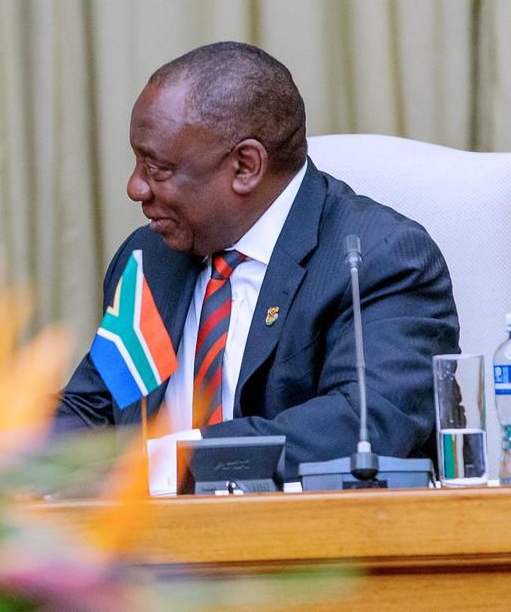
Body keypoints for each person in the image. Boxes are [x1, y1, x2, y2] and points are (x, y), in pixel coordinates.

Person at [54, 42, 459, 482]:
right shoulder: (152, 258)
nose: (135, 188)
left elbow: (362, 426)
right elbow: (95, 406)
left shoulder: (380, 258)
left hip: (306, 525)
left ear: (245, 166)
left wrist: (166, 465)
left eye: (157, 168)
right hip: (153, 526)